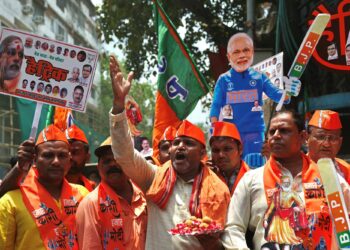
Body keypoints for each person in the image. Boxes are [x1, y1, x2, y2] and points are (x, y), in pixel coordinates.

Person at [109, 55, 230, 249]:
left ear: (201, 153)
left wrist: (213, 245)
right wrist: (118, 104)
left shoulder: (219, 189)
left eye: (188, 143)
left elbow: (229, 242)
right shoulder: (154, 177)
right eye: (176, 143)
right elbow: (124, 155)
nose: (180, 147)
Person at [221, 110, 350, 249]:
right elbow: (232, 228)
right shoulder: (251, 180)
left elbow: (345, 228)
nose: (276, 136)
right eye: (272, 132)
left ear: (302, 137)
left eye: (284, 131)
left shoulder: (329, 179)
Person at [209, 33, 299, 168]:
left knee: (254, 167)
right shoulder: (223, 80)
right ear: (229, 56)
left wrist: (290, 90)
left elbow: (277, 95)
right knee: (233, 169)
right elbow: (215, 106)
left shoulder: (260, 77)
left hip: (254, 134)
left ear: (252, 52)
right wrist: (215, 130)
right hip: (231, 135)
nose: (242, 55)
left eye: (246, 50)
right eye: (236, 52)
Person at [0, 125, 89, 249]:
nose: (56, 161)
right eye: (48, 155)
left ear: (69, 160)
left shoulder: (83, 194)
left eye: (62, 156)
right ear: (34, 160)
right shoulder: (10, 202)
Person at [76, 137, 147, 249]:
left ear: (130, 164)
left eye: (118, 159)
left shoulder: (145, 196)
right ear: (99, 167)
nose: (113, 164)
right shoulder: (90, 204)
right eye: (107, 161)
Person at [307, 110, 350, 183]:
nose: (326, 144)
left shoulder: (347, 170)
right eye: (320, 137)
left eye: (332, 138)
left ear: (340, 142)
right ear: (306, 139)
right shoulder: (296, 168)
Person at [209, 121, 249, 195]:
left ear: (240, 149)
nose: (221, 155)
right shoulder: (206, 178)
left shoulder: (254, 177)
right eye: (215, 150)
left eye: (227, 149)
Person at [65, 125, 96, 191]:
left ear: (87, 157)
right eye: (65, 152)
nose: (69, 157)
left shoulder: (92, 189)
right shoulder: (49, 186)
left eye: (75, 152)